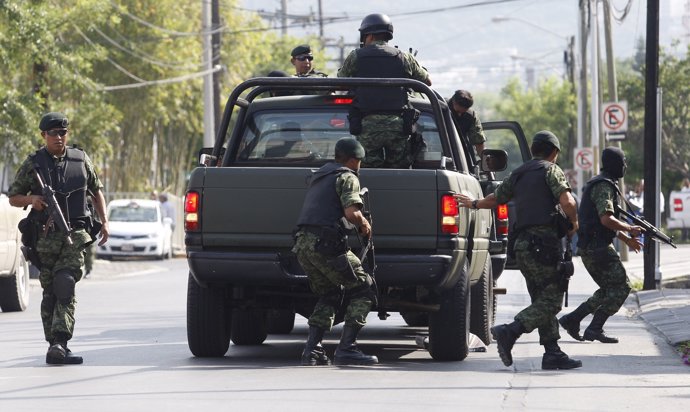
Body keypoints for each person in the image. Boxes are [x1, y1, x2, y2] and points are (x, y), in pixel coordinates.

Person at [456, 131, 582, 370]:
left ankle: (552, 352)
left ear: (534, 150)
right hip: (543, 246)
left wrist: (473, 203)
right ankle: (510, 331)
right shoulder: (550, 170)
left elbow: (495, 199)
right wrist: (574, 224)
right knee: (552, 301)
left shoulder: (519, 173)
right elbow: (568, 202)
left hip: (522, 247)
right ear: (553, 152)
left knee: (540, 298)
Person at [8, 112, 109, 365]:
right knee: (50, 290)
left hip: (75, 233)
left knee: (65, 283)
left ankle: (61, 342)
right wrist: (33, 200)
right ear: (44, 135)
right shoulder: (33, 164)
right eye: (53, 133)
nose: (59, 137)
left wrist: (104, 221)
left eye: (63, 133)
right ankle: (53, 344)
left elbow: (96, 191)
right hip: (44, 237)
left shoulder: (81, 159)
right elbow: (13, 196)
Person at [292, 137, 378, 366]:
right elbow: (351, 212)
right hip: (326, 244)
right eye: (359, 161)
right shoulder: (347, 176)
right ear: (353, 160)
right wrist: (363, 224)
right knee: (364, 289)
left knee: (330, 293)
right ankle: (347, 349)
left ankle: (312, 350)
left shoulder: (321, 175)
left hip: (303, 245)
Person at [558, 147, 643, 344]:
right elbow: (606, 219)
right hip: (597, 248)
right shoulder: (603, 186)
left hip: (594, 246)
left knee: (608, 289)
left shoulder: (603, 183)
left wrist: (626, 239)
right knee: (622, 287)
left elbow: (602, 222)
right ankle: (594, 328)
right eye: (623, 163)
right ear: (614, 165)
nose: (625, 166)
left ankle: (572, 319)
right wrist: (630, 229)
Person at [338, 13, 432, 169]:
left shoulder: (356, 56)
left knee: (368, 172)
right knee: (399, 171)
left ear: (368, 35)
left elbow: (341, 82)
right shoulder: (404, 57)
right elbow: (427, 81)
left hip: (367, 125)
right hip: (398, 125)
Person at [448, 89, 486, 157]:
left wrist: (485, 161)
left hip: (461, 155)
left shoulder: (470, 116)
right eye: (457, 112)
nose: (459, 115)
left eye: (463, 113)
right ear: (454, 102)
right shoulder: (439, 109)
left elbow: (479, 142)